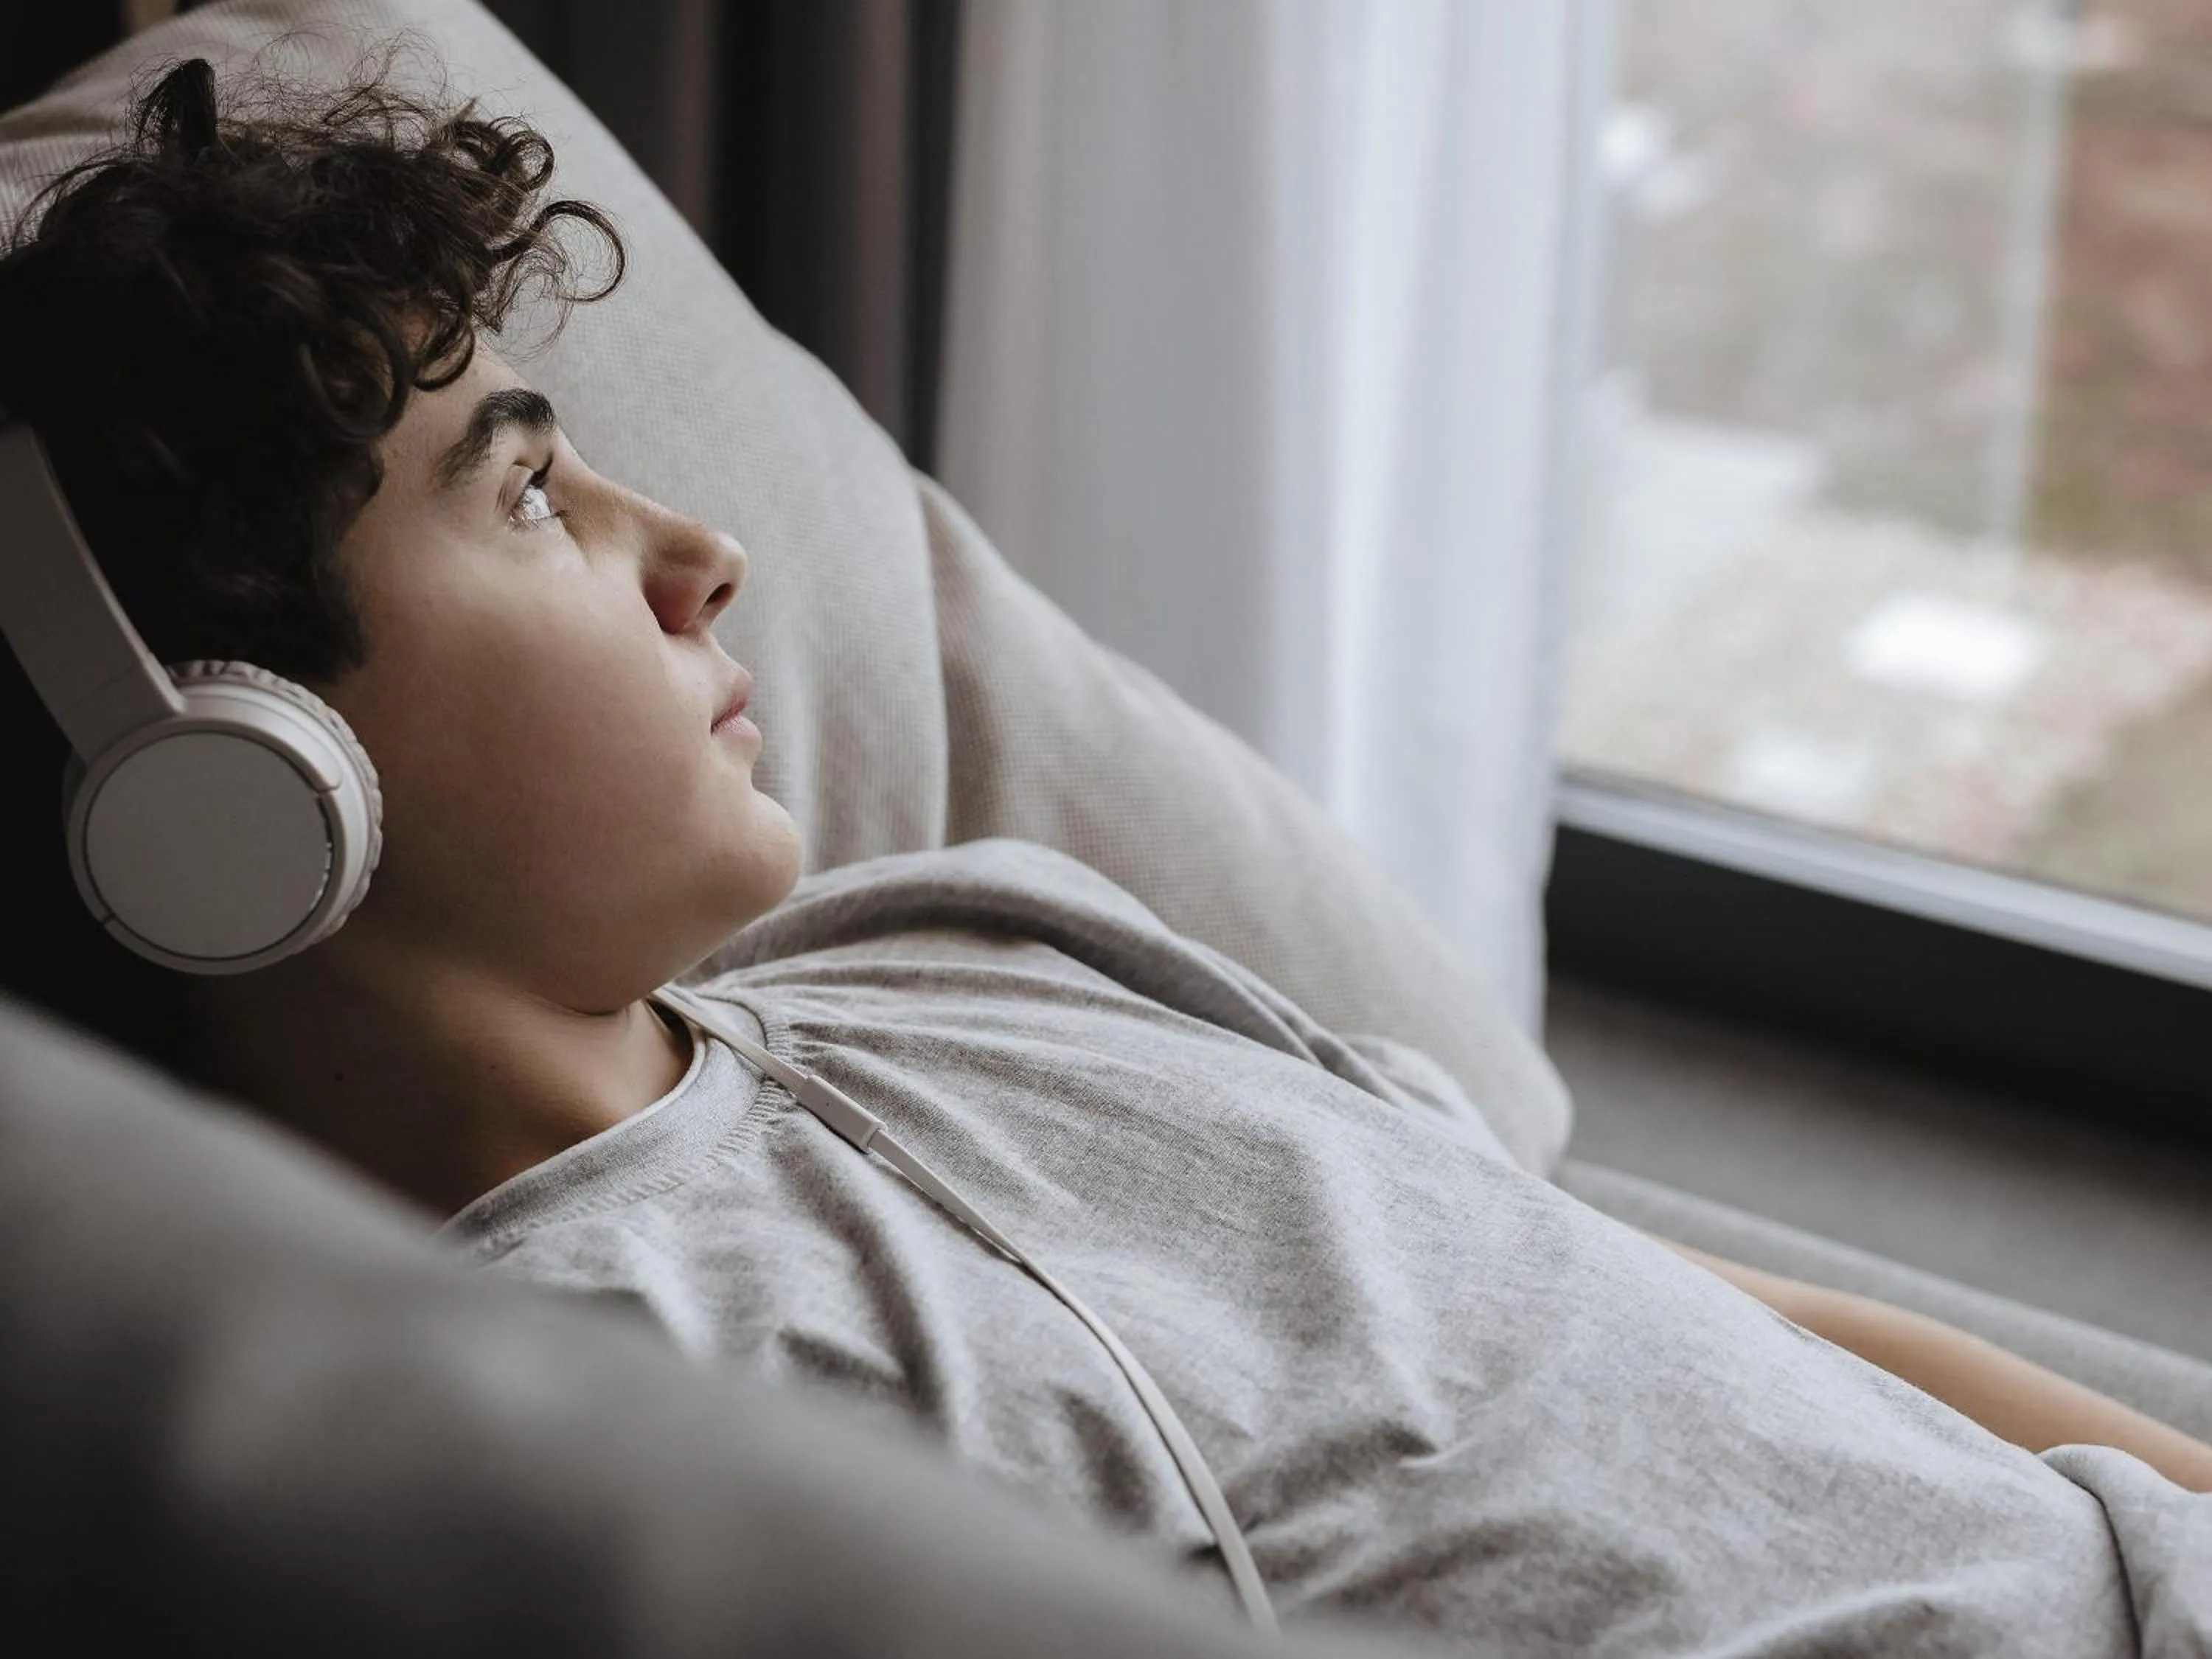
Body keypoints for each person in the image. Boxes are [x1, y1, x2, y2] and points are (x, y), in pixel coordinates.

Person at [3, 52, 2207, 1656]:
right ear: (232, 792)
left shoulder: (978, 925)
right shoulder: (602, 1433)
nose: (699, 550)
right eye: (527, 498)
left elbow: (1720, 1310)